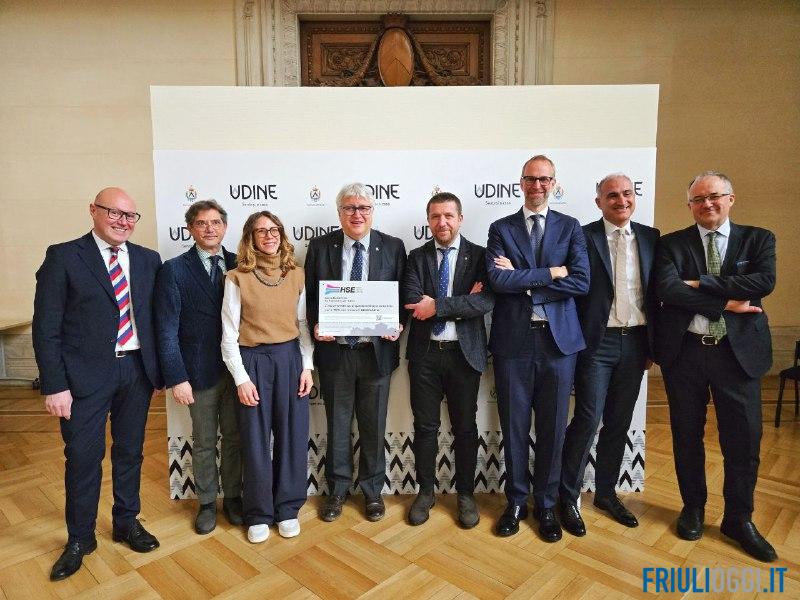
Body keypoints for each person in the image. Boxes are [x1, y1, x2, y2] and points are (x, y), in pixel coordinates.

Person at [32, 187, 163, 581]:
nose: (123, 221)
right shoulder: (64, 257)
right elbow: (46, 327)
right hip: (82, 380)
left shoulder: (148, 260)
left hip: (136, 372)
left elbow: (155, 319)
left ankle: (126, 522)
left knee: (130, 453)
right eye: (114, 212)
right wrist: (54, 385)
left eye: (130, 215)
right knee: (83, 458)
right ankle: (80, 538)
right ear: (93, 210)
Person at [656, 171, 777, 562]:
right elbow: (666, 288)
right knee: (686, 436)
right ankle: (693, 508)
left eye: (714, 197)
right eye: (698, 199)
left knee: (744, 441)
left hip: (737, 355)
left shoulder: (759, 239)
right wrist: (725, 301)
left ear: (730, 199)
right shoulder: (671, 244)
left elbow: (763, 282)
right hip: (685, 353)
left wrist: (697, 284)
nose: (706, 204)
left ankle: (739, 519)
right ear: (689, 205)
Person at [487, 155, 589, 541]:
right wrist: (550, 273)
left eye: (545, 179)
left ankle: (546, 504)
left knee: (553, 428)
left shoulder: (570, 226)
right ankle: (516, 501)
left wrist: (526, 283)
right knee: (514, 427)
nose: (537, 186)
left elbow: (581, 282)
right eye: (531, 179)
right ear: (521, 183)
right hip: (514, 343)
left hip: (558, 344)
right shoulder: (501, 228)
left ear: (554, 184)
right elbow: (498, 280)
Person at [559, 173, 659, 536]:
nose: (621, 200)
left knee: (619, 421)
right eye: (612, 195)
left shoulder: (651, 237)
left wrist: (653, 346)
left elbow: (657, 295)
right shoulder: (582, 236)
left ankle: (606, 494)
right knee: (587, 419)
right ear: (599, 202)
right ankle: (567, 497)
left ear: (634, 197)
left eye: (627, 193)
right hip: (596, 344)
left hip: (636, 342)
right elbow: (571, 290)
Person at [305, 182, 406, 522]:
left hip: (376, 353)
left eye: (363, 208)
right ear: (339, 213)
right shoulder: (320, 247)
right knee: (337, 425)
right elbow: (310, 298)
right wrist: (316, 325)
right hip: (336, 353)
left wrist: (398, 323)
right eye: (350, 208)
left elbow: (403, 295)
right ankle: (337, 490)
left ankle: (372, 490)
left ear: (372, 212)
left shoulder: (393, 247)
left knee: (374, 426)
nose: (357, 214)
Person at [220, 211, 313, 543]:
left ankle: (287, 508)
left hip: (290, 359)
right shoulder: (236, 278)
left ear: (282, 235)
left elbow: (303, 325)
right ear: (250, 238)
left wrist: (307, 366)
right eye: (261, 231)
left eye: (274, 230)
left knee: (292, 435)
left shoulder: (297, 274)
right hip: (253, 361)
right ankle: (258, 512)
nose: (269, 235)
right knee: (255, 439)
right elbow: (228, 334)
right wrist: (241, 379)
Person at [402, 192, 494, 528]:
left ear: (460, 218)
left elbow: (484, 302)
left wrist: (438, 306)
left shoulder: (480, 256)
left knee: (465, 428)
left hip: (464, 355)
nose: (442, 222)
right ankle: (425, 492)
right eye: (435, 216)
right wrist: (461, 303)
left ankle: (465, 494)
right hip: (425, 355)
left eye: (448, 216)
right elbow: (412, 300)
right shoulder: (416, 257)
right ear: (428, 221)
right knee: (425, 427)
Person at [155, 199, 242, 534]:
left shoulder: (240, 264)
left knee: (235, 438)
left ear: (225, 227)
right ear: (190, 228)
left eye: (215, 222)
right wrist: (177, 377)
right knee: (204, 441)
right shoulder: (174, 269)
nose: (209, 228)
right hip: (197, 373)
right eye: (202, 223)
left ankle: (233, 497)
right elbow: (166, 329)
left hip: (238, 373)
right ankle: (206, 502)